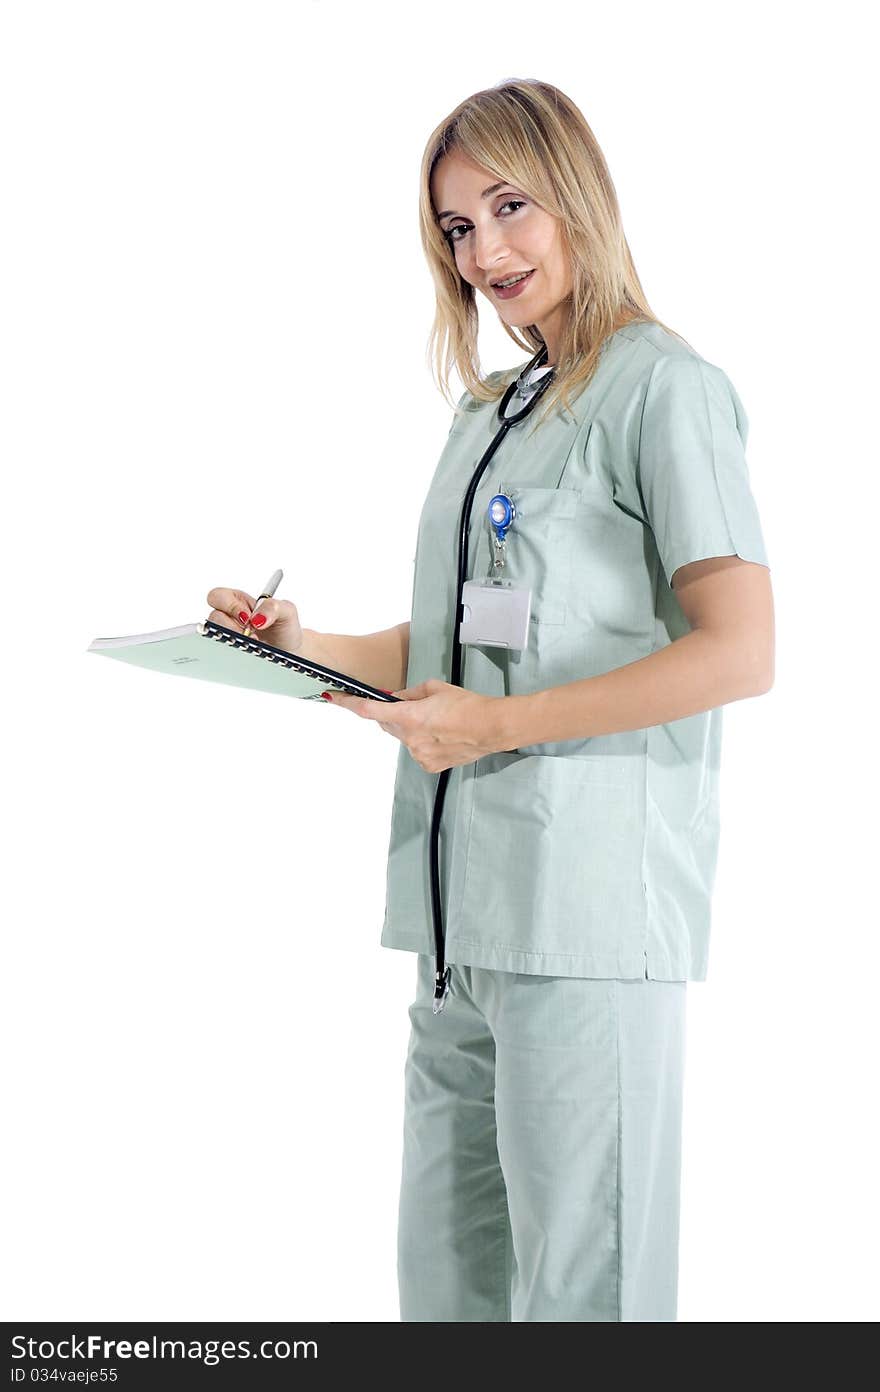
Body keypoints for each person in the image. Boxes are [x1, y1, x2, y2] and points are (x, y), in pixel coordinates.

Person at [206, 78, 774, 1322]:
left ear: (576, 194)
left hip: (585, 917)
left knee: (585, 1298)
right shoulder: (493, 411)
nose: (485, 252)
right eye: (456, 229)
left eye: (508, 207)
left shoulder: (661, 389)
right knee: (451, 1292)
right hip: (460, 929)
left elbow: (740, 650)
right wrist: (307, 647)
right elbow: (465, 633)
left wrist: (499, 727)